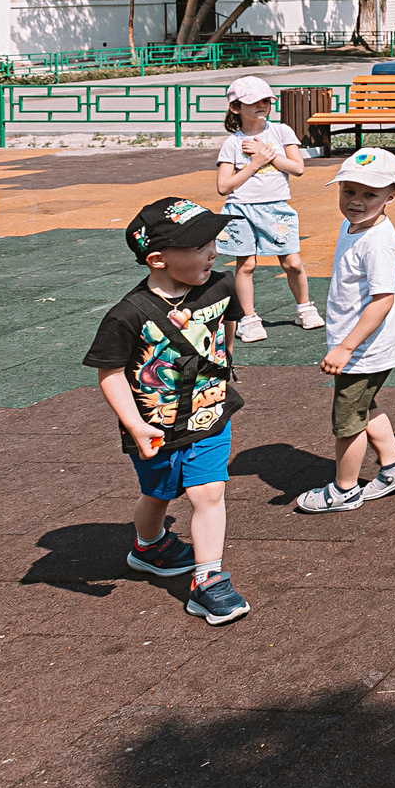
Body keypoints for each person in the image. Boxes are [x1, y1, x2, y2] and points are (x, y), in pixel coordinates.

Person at [83, 196, 251, 624]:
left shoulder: (220, 285)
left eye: (213, 241)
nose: (213, 252)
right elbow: (110, 373)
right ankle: (149, 545)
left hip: (210, 414)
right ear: (157, 259)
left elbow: (227, 323)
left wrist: (222, 365)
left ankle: (207, 581)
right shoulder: (127, 315)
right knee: (158, 494)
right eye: (199, 246)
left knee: (209, 491)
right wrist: (135, 425)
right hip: (154, 426)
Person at [296, 148, 395, 512]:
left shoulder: (377, 242)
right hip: (362, 342)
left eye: (369, 194)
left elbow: (382, 300)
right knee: (363, 405)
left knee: (347, 421)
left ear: (391, 197)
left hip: (366, 346)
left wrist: (346, 347)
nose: (356, 201)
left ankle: (345, 489)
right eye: (349, 191)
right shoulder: (353, 226)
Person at [214, 76, 312, 342]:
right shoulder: (232, 143)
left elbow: (298, 168)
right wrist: (254, 163)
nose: (262, 105)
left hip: (276, 208)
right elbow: (223, 187)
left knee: (292, 262)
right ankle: (249, 319)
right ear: (236, 107)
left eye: (266, 100)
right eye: (253, 101)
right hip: (240, 210)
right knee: (246, 265)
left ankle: (304, 307)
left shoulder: (281, 131)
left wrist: (266, 153)